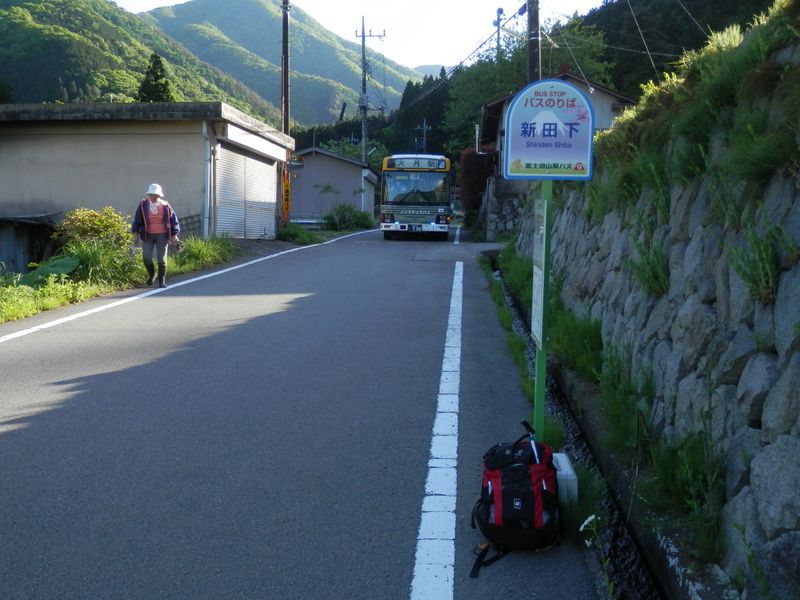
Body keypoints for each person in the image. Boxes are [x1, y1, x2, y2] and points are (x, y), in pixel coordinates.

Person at [131, 183, 180, 288]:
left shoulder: (165, 205)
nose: (152, 196)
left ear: (159, 195)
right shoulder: (143, 205)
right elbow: (137, 220)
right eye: (150, 194)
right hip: (148, 235)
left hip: (162, 235)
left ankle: (162, 281)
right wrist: (135, 234)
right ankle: (152, 274)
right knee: (146, 257)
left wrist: (174, 235)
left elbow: (173, 220)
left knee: (161, 259)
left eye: (154, 194)